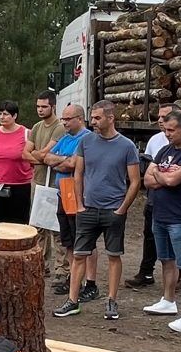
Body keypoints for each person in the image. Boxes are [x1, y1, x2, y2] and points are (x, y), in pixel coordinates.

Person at [54, 100, 140, 321]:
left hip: (113, 210)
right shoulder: (86, 142)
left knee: (113, 256)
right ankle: (73, 301)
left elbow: (134, 181)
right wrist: (80, 205)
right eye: (92, 117)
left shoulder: (127, 146)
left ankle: (111, 300)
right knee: (80, 254)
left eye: (97, 118)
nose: (92, 121)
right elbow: (78, 174)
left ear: (111, 118)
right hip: (88, 209)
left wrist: (122, 209)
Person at [141, 105, 181, 332]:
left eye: (171, 130)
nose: (167, 134)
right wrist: (164, 174)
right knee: (166, 260)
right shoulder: (164, 150)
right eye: (165, 130)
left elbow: (171, 181)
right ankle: (168, 301)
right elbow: (147, 180)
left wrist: (161, 174)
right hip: (160, 214)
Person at [41, 104, 97, 304]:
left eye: (68, 119)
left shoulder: (87, 139)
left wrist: (60, 161)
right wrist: (61, 160)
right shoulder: (65, 138)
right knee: (68, 241)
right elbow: (46, 157)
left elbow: (74, 164)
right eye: (63, 119)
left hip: (78, 193)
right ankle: (74, 279)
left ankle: (90, 282)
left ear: (80, 119)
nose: (63, 122)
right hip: (62, 192)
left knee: (83, 239)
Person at [131, 103, 180, 290]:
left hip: (176, 203)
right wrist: (164, 177)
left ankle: (180, 274)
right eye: (159, 117)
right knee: (149, 235)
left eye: (165, 117)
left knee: (176, 239)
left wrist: (162, 176)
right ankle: (146, 271)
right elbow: (148, 175)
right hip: (154, 199)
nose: (160, 120)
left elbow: (178, 178)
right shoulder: (154, 140)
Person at [22, 93, 68, 288]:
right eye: (38, 106)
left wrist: (38, 155)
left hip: (54, 184)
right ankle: (41, 263)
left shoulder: (59, 128)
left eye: (44, 106)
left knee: (57, 228)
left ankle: (62, 269)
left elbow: (46, 153)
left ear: (53, 107)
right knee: (38, 226)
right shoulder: (36, 127)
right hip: (38, 181)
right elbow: (25, 153)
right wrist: (38, 156)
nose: (40, 109)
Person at [0, 100, 33, 225]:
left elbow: (34, 158)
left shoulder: (27, 134)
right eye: (0, 114)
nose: (2, 117)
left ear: (14, 116)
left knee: (19, 224)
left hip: (20, 186)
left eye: (5, 114)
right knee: (1, 223)